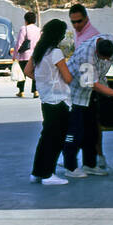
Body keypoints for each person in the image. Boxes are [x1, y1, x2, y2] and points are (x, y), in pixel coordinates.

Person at [65, 36, 113, 176]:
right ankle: (70, 167)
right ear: (97, 52)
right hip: (74, 93)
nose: (107, 61)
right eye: (104, 59)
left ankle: (89, 165)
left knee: (92, 130)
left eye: (108, 59)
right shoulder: (86, 55)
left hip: (90, 95)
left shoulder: (111, 43)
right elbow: (93, 85)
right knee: (75, 132)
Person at [27, 19, 73, 185]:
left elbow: (27, 71)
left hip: (46, 100)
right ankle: (48, 174)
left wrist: (43, 82)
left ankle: (37, 172)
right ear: (59, 35)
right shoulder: (56, 53)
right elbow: (67, 77)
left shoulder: (39, 51)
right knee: (56, 139)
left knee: (45, 137)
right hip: (59, 100)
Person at [62, 3, 101, 172]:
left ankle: (88, 163)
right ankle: (79, 164)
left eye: (79, 21)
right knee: (80, 129)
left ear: (86, 18)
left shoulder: (92, 35)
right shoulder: (80, 34)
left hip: (87, 89)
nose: (76, 25)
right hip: (79, 90)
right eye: (73, 22)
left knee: (87, 129)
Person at [13, 10, 39, 96]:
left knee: (22, 73)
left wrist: (15, 55)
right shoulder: (38, 29)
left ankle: (21, 91)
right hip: (35, 55)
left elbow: (19, 43)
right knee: (34, 73)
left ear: (26, 20)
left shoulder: (24, 28)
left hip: (24, 55)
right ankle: (35, 91)